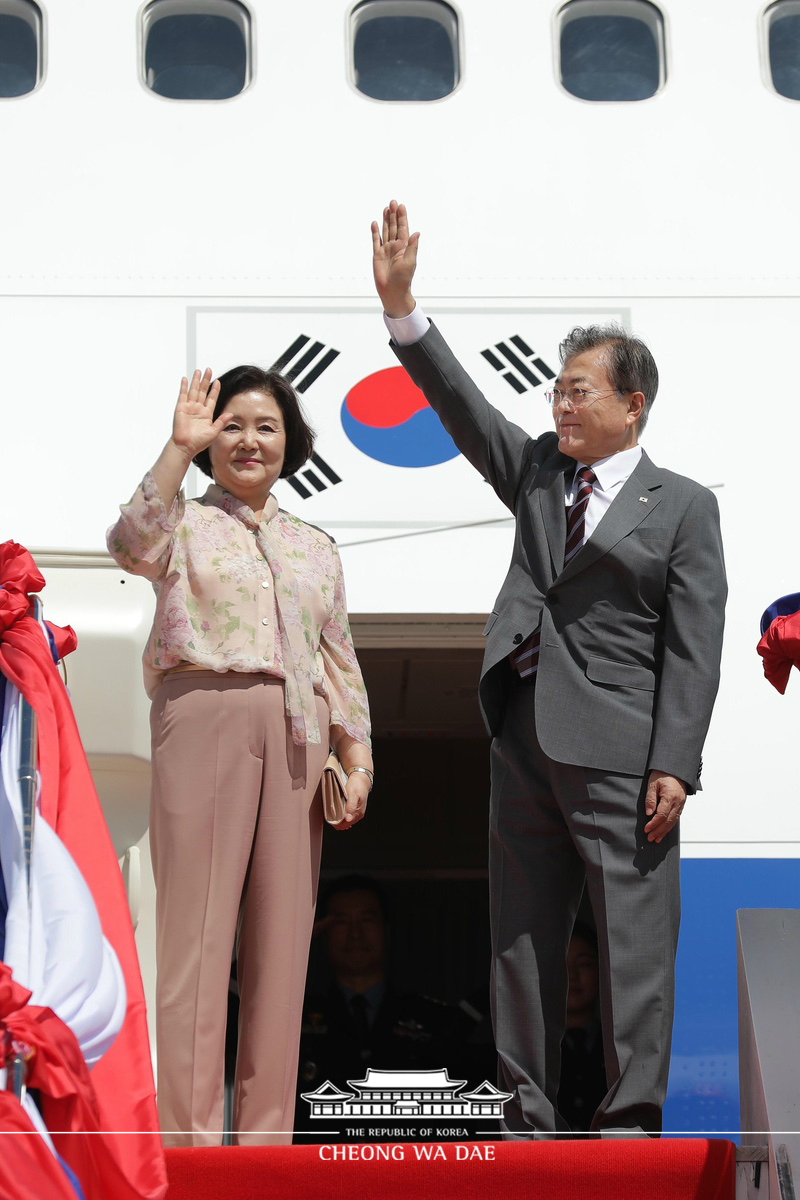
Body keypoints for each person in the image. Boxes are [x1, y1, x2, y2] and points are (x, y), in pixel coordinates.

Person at [370, 201, 726, 1136]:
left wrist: (674, 762)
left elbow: (696, 644)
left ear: (631, 403)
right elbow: (461, 404)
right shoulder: (533, 472)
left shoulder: (682, 506)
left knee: (633, 941)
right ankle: (523, 1117)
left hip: (622, 747)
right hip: (521, 730)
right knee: (519, 939)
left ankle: (629, 1120)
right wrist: (405, 310)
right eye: (557, 392)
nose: (560, 405)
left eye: (579, 391)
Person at [107, 365, 373, 1147]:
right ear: (208, 441)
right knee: (196, 938)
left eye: (266, 426)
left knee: (284, 948)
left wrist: (356, 757)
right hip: (204, 715)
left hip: (300, 732)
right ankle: (189, 1147)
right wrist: (173, 446)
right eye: (232, 426)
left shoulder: (315, 547)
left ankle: (263, 1150)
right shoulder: (182, 523)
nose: (249, 440)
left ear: (290, 444)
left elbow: (341, 659)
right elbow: (127, 543)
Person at [557, 923, 606, 1133]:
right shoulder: (528, 1049)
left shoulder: (620, 1046)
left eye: (584, 964)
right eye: (560, 966)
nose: (572, 976)